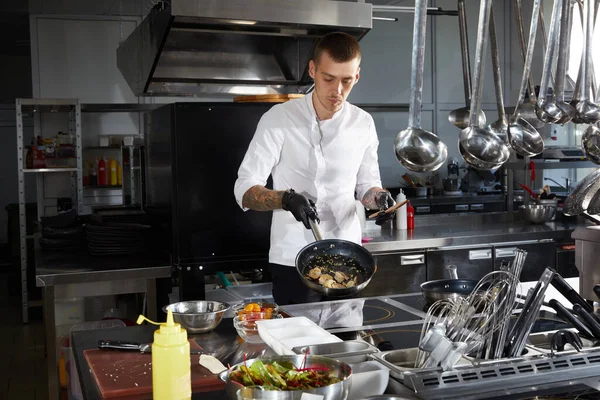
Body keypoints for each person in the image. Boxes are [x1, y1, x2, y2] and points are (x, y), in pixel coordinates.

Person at [233, 32, 395, 305]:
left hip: (348, 258)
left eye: (346, 81)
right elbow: (244, 189)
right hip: (293, 258)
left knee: (346, 342)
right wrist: (285, 199)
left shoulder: (363, 123)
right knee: (297, 346)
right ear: (312, 70)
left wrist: (379, 199)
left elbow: (367, 185)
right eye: (328, 79)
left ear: (357, 76)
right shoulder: (278, 119)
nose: (338, 91)